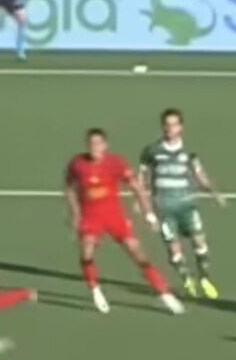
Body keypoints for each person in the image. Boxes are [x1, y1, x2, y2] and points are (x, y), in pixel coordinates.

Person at [65, 128, 180, 314]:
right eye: (91, 143)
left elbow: (137, 187)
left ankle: (164, 293)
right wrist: (75, 214)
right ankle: (95, 289)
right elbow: (70, 188)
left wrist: (149, 214)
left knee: (137, 252)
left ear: (105, 145)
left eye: (98, 143)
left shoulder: (115, 163)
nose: (94, 147)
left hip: (113, 216)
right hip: (90, 217)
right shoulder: (77, 164)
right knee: (86, 252)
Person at [138, 108, 227, 299]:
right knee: (173, 246)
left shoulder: (188, 154)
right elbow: (142, 180)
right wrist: (143, 206)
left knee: (199, 240)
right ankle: (187, 278)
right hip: (164, 207)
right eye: (167, 124)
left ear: (181, 127)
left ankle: (204, 278)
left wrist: (214, 193)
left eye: (174, 125)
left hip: (187, 205)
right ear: (162, 126)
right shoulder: (151, 152)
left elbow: (200, 175)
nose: (170, 128)